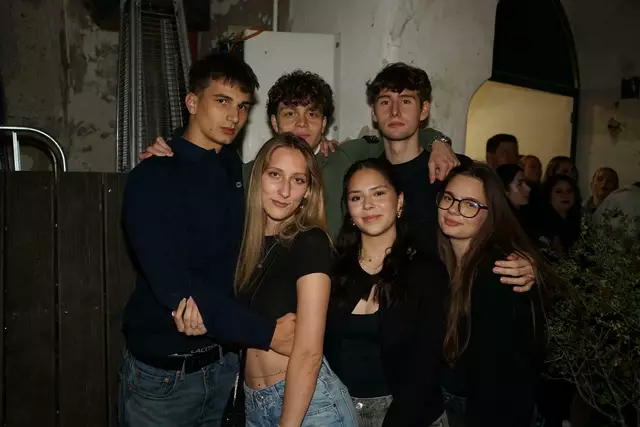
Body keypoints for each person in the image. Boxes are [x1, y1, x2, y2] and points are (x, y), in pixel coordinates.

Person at [118, 52, 296, 427]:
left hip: (223, 366)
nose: (234, 117)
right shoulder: (152, 177)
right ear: (192, 102)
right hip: (164, 377)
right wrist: (268, 334)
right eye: (222, 101)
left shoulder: (231, 167)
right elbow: (173, 285)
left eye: (242, 106)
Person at [139, 69, 459, 239]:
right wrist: (173, 151)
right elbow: (203, 171)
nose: (302, 124)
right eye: (291, 114)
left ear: (324, 124)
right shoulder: (248, 173)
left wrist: (438, 140)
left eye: (312, 114)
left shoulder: (347, 156)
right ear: (274, 122)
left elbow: (398, 135)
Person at [175, 133, 358, 426]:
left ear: (308, 191)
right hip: (254, 404)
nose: (284, 191)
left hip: (311, 408)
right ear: (257, 177)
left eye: (298, 180)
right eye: (275, 175)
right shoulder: (245, 242)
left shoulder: (310, 242)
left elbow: (309, 353)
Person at [325, 158, 449, 427]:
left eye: (379, 193)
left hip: (411, 416)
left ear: (400, 201)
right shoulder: (332, 270)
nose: (368, 205)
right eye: (356, 197)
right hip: (340, 413)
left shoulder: (426, 271)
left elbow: (426, 366)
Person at [437, 162, 548, 427]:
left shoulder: (499, 273)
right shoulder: (442, 262)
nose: (453, 209)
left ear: (491, 215)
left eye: (470, 204)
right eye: (449, 198)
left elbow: (500, 376)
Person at [539, 175, 582, 258]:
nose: (565, 195)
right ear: (548, 196)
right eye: (558, 191)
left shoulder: (581, 223)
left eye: (569, 191)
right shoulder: (541, 227)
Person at [496, 164, 537, 239]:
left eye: (526, 183)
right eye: (520, 184)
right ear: (504, 189)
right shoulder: (501, 225)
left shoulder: (528, 215)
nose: (528, 188)